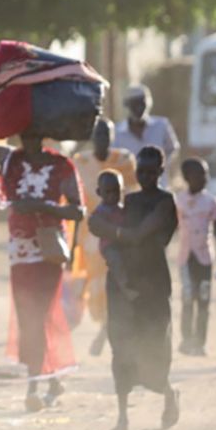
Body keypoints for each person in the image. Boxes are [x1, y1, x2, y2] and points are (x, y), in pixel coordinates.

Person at [0, 107, 85, 411]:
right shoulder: (10, 160)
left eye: (33, 133)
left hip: (49, 249)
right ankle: (51, 377)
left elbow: (78, 210)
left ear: (42, 134)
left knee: (39, 313)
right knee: (28, 314)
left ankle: (34, 385)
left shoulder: (61, 165)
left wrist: (41, 206)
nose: (27, 139)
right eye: (23, 133)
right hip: (20, 251)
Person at [89, 147, 180, 430]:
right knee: (122, 348)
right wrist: (115, 234)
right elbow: (94, 222)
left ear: (161, 172)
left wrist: (116, 234)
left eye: (152, 172)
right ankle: (123, 418)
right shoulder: (129, 200)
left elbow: (140, 233)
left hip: (153, 283)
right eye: (142, 171)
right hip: (123, 284)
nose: (146, 176)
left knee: (154, 347)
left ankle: (168, 393)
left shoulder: (166, 202)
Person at [72, 118, 137, 353]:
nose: (102, 140)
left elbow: (133, 195)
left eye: (106, 135)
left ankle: (105, 333)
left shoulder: (124, 160)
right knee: (96, 288)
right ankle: (105, 328)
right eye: (98, 135)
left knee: (116, 282)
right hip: (90, 234)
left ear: (112, 137)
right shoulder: (81, 161)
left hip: (118, 231)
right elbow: (74, 199)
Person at [175, 157, 216, 356]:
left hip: (205, 258)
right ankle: (186, 340)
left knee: (203, 300)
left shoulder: (211, 202)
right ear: (188, 177)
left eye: (206, 174)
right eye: (200, 174)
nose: (205, 178)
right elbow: (171, 227)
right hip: (185, 258)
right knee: (188, 299)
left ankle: (200, 342)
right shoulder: (179, 201)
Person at [112, 85, 178, 189]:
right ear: (127, 105)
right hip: (130, 189)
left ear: (148, 104)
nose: (139, 108)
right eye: (134, 104)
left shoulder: (161, 125)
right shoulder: (117, 131)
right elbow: (113, 159)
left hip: (159, 187)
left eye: (142, 103)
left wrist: (158, 168)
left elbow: (172, 149)